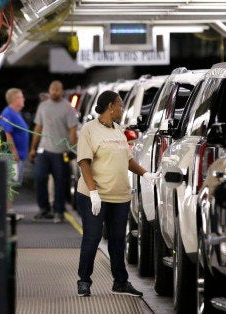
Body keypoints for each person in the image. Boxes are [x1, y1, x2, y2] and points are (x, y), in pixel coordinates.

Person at [75, 90, 161, 297]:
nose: (123, 109)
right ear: (110, 107)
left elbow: (127, 159)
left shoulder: (118, 130)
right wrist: (93, 192)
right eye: (120, 105)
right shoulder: (89, 130)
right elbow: (84, 161)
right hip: (94, 195)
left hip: (120, 196)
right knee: (92, 238)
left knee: (117, 241)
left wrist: (146, 174)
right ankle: (84, 281)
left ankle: (120, 282)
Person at [29, 80, 77, 223]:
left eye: (57, 90)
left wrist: (72, 148)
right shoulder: (43, 106)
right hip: (44, 150)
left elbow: (72, 130)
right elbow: (38, 128)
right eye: (52, 89)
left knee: (60, 182)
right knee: (39, 178)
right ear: (49, 90)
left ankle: (58, 211)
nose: (55, 92)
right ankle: (44, 209)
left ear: (62, 91)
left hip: (61, 152)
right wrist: (33, 148)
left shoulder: (68, 108)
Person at [0, 88, 29, 221]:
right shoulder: (8, 113)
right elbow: (7, 133)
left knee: (11, 184)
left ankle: (9, 210)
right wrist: (14, 152)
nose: (23, 100)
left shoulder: (15, 113)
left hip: (17, 156)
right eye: (21, 97)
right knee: (8, 183)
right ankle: (7, 211)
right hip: (11, 156)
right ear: (15, 99)